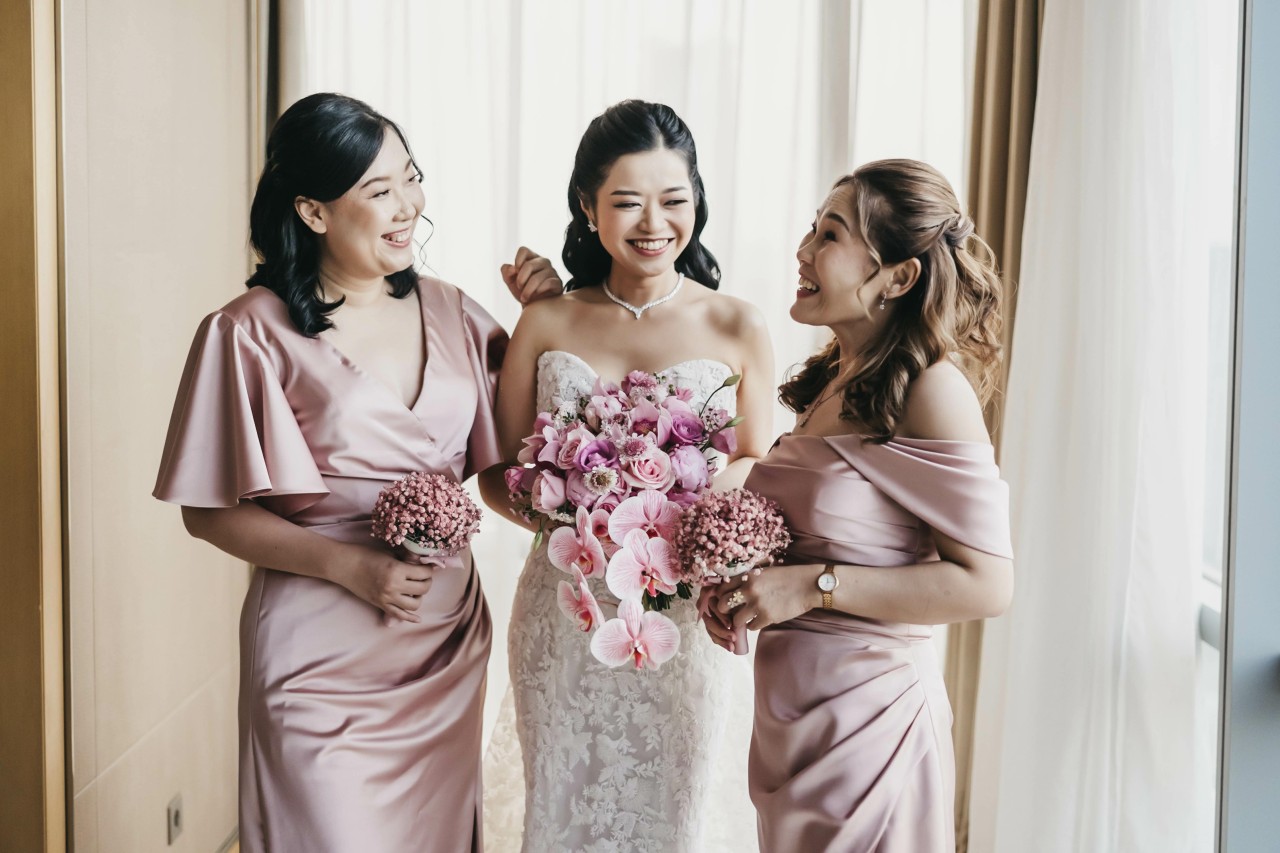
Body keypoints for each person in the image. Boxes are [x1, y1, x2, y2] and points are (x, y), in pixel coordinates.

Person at [152, 92, 557, 852]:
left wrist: (550, 318)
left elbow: (517, 467)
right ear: (313, 211)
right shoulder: (246, 332)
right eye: (379, 190)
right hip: (317, 654)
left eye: (412, 178)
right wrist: (348, 566)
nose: (408, 206)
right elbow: (205, 510)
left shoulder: (456, 311)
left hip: (441, 639)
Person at [477, 99, 774, 852]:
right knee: (562, 805)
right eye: (627, 202)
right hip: (566, 610)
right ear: (588, 206)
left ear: (697, 200)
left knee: (675, 814)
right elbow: (499, 470)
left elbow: (755, 461)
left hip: (683, 615)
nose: (654, 223)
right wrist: (568, 513)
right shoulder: (547, 320)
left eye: (674, 200)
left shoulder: (738, 324)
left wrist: (693, 520)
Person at [703, 159, 1015, 852]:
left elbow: (988, 585)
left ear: (898, 277)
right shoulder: (832, 381)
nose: (803, 250)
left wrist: (811, 588)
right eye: (812, 228)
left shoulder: (932, 391)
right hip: (793, 728)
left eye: (830, 235)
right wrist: (739, 579)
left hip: (873, 730)